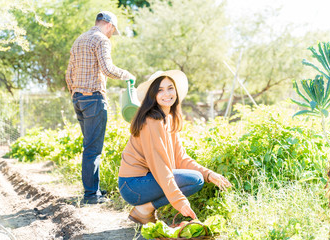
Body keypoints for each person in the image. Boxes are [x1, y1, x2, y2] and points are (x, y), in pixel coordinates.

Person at [118, 70, 231, 224]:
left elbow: (181, 158)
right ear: (153, 95)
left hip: (144, 181)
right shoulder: (152, 121)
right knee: (194, 179)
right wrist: (179, 201)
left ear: (176, 91)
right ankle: (144, 209)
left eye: (170, 88)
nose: (167, 94)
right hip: (133, 185)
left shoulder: (168, 119)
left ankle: (145, 210)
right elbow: (160, 166)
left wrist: (209, 174)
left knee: (198, 178)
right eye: (160, 90)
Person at [65, 11, 136, 204]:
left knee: (89, 146)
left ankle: (93, 190)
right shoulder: (102, 40)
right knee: (93, 149)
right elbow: (107, 69)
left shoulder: (79, 40)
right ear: (109, 25)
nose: (112, 33)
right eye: (113, 29)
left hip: (78, 99)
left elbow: (69, 73)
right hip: (94, 99)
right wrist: (127, 75)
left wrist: (74, 94)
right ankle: (91, 196)